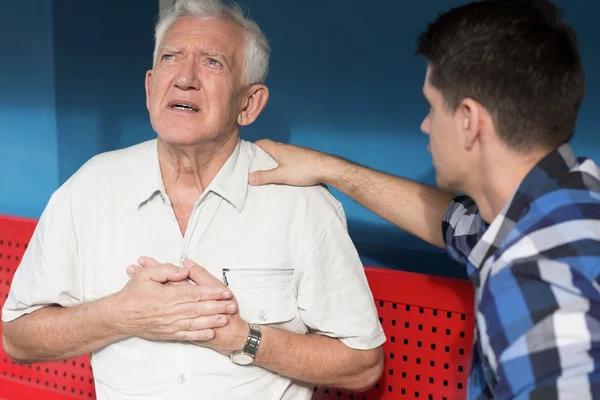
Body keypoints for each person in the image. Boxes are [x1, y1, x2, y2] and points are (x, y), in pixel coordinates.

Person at [0, 0, 385, 399]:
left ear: (248, 104)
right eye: (171, 57)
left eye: (212, 62)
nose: (185, 78)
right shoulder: (89, 189)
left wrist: (240, 337)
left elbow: (363, 364)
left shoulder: (300, 204)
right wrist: (120, 314)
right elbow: (19, 339)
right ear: (150, 89)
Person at [248, 0, 600, 399]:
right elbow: (454, 223)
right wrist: (328, 168)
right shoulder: (568, 203)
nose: (425, 125)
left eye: (432, 106)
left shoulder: (532, 277)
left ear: (468, 121)